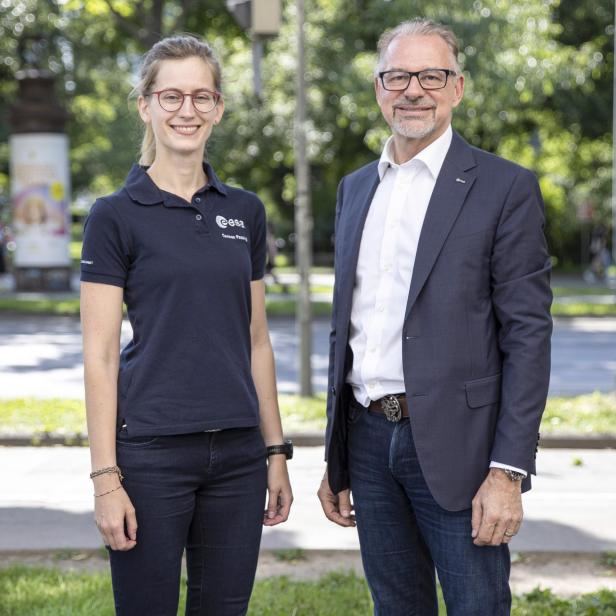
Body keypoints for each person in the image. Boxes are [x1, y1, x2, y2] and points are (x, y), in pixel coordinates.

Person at [317, 18, 552, 616]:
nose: (413, 90)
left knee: (476, 606)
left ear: (458, 87)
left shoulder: (504, 188)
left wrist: (508, 471)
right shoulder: (354, 191)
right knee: (395, 606)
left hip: (462, 450)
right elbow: (350, 331)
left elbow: (527, 335)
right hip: (368, 442)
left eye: (431, 75)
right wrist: (336, 456)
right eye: (398, 76)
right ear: (378, 88)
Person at [80, 34, 293, 615]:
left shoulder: (243, 211)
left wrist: (275, 451)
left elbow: (256, 338)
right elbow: (98, 355)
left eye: (202, 96)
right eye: (170, 96)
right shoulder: (113, 215)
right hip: (149, 454)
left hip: (238, 456)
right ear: (145, 104)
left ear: (219, 108)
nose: (187, 110)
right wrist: (106, 478)